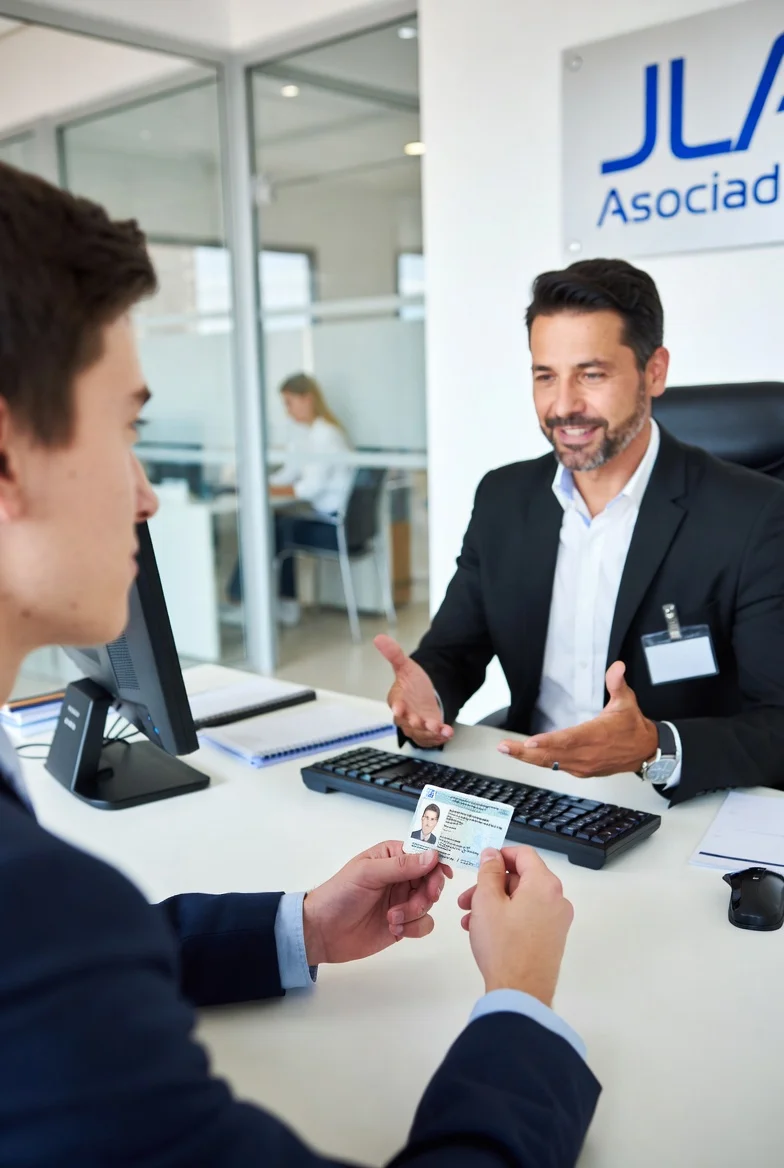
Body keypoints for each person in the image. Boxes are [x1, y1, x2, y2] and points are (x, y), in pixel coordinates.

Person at [0, 163, 600, 1166]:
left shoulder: (43, 919)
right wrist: (519, 1005)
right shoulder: (41, 910)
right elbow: (47, 959)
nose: (147, 493)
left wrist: (301, 927)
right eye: (126, 429)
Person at [377, 258, 784, 806]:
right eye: (545, 376)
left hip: (675, 803)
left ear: (654, 372)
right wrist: (427, 696)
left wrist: (655, 747)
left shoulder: (752, 513)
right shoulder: (504, 499)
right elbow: (454, 651)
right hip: (532, 790)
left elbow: (777, 721)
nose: (563, 405)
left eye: (591, 375)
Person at [228, 373, 354, 626]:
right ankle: (282, 605)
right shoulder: (308, 435)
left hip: (335, 527)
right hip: (327, 519)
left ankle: (245, 601)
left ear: (307, 399)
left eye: (289, 403)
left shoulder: (326, 436)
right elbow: (289, 473)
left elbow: (309, 489)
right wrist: (260, 483)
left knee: (274, 529)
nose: (287, 411)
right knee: (277, 525)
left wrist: (265, 490)